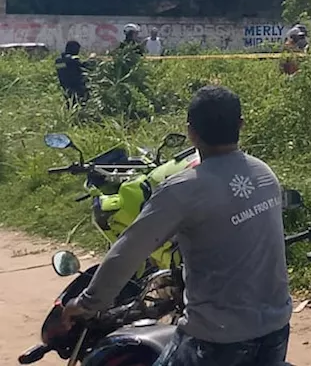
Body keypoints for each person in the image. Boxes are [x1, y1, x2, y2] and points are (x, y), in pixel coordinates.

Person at [62, 86, 291, 366]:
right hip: (275, 329)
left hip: (216, 339)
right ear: (240, 125)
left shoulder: (184, 189)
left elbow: (128, 251)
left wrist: (86, 304)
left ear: (190, 132)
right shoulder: (264, 173)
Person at [54, 41, 89, 105]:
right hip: (76, 87)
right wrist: (91, 59)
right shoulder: (72, 61)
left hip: (65, 87)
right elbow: (83, 65)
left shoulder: (59, 61)